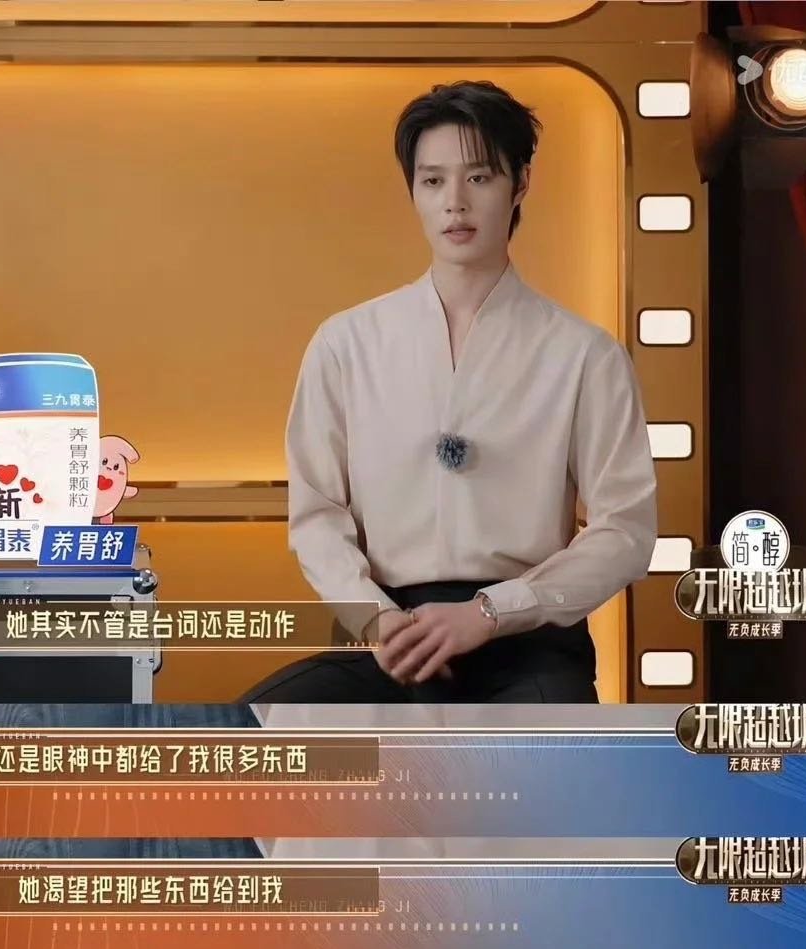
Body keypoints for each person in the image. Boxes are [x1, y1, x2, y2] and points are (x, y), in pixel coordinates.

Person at [241, 81, 658, 704]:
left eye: (479, 178)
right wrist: (376, 620)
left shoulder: (585, 354)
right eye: (433, 181)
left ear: (520, 184)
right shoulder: (346, 342)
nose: (455, 203)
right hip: (386, 636)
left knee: (543, 753)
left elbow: (625, 531)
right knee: (242, 732)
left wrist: (491, 611)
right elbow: (317, 513)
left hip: (528, 642)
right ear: (413, 190)